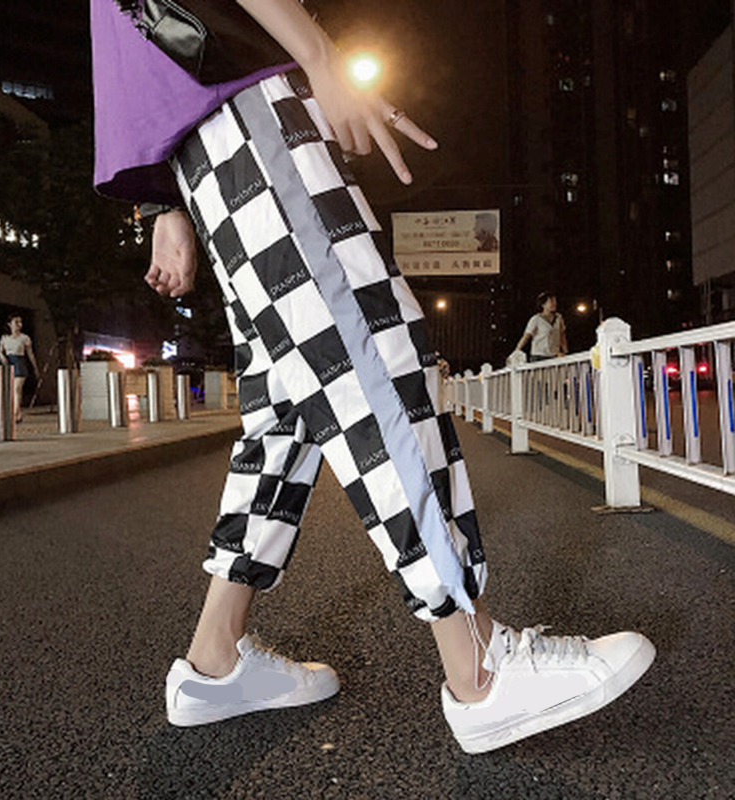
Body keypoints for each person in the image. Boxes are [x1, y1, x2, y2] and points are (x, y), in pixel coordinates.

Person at [91, 0, 654, 753]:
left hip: (198, 126)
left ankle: (216, 655)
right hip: (242, 100)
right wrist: (321, 55)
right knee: (371, 356)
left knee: (287, 403)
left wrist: (166, 195)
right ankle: (479, 668)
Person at [0, 314, 39, 424]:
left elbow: (30, 354)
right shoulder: (4, 338)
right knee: (11, 389)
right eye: (16, 322)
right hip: (8, 362)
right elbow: (0, 351)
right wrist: (2, 357)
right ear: (9, 324)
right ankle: (18, 412)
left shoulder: (24, 338)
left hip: (19, 363)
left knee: (17, 388)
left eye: (20, 322)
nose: (19, 325)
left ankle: (15, 412)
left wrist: (35, 367)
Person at [514, 291, 568, 362]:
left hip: (554, 355)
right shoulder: (536, 319)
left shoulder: (559, 318)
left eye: (555, 301)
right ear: (543, 304)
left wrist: (566, 352)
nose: (555, 304)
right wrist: (517, 351)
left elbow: (562, 336)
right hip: (539, 356)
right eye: (551, 301)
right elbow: (526, 337)